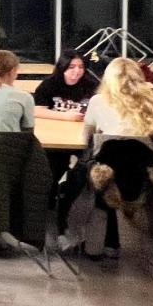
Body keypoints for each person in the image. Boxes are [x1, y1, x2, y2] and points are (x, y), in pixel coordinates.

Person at [80, 57, 153, 259]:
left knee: (96, 174)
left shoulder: (98, 102)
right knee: (111, 173)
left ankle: (103, 244)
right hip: (144, 177)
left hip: (106, 174)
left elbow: (86, 138)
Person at [34, 52, 98, 200]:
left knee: (84, 168)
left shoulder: (92, 85)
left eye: (81, 67)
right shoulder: (49, 84)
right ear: (62, 67)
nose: (77, 71)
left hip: (83, 136)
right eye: (71, 67)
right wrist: (65, 116)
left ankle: (69, 197)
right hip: (56, 136)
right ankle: (50, 195)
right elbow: (37, 110)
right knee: (54, 165)